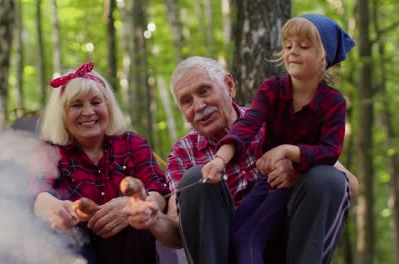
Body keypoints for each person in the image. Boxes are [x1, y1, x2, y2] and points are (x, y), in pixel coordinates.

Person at [124, 54, 359, 264]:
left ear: (229, 85)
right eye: (187, 101)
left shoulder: (272, 122)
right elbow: (178, 232)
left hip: (288, 245)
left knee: (326, 177)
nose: (199, 106)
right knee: (197, 176)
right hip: (222, 253)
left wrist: (300, 169)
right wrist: (154, 220)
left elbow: (349, 185)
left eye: (204, 91)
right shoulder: (182, 153)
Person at [201, 14, 355, 264]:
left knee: (249, 238)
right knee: (234, 235)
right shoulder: (273, 89)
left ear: (325, 57)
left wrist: (287, 150)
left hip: (298, 184)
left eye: (303, 46)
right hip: (267, 182)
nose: (293, 52)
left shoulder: (333, 103)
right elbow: (247, 125)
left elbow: (330, 151)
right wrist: (220, 160)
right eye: (288, 45)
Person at [30, 61, 169, 264]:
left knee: (136, 218)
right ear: (62, 115)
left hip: (132, 254)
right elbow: (37, 194)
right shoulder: (49, 152)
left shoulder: (132, 143)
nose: (88, 112)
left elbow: (160, 190)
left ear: (109, 107)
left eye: (96, 102)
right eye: (77, 105)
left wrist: (139, 204)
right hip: (75, 252)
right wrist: (59, 209)